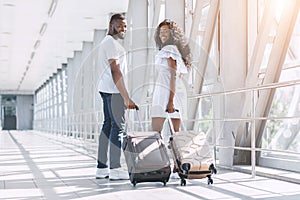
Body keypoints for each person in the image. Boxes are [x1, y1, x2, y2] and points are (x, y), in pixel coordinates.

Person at [96, 13, 136, 180]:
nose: (123, 29)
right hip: (113, 91)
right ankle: (115, 168)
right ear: (111, 25)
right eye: (120, 26)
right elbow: (115, 71)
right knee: (117, 128)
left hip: (105, 89)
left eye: (125, 26)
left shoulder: (106, 43)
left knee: (108, 126)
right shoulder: (111, 44)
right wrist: (126, 97)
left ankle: (102, 168)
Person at [151, 19, 192, 178]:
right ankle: (177, 166)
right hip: (171, 92)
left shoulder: (169, 49)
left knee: (156, 132)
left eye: (166, 32)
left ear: (172, 34)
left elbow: (173, 76)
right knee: (175, 133)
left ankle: (161, 166)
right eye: (161, 32)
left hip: (167, 93)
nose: (162, 35)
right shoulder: (173, 49)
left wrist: (169, 101)